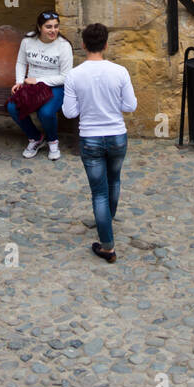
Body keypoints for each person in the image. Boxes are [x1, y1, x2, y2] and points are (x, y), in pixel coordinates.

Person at [62, 23, 137, 264]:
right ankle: (107, 221)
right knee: (114, 180)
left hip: (91, 138)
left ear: (84, 45)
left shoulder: (74, 75)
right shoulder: (120, 72)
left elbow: (70, 112)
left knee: (99, 192)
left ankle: (107, 245)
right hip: (116, 136)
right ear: (106, 44)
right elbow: (130, 106)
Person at [7, 11, 73, 160]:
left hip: (55, 86)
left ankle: (53, 140)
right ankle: (36, 138)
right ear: (39, 27)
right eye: (48, 27)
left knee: (46, 112)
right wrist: (19, 81)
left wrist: (39, 80)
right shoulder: (28, 40)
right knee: (13, 107)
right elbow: (21, 62)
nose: (53, 30)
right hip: (32, 85)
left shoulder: (63, 46)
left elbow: (65, 76)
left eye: (56, 26)